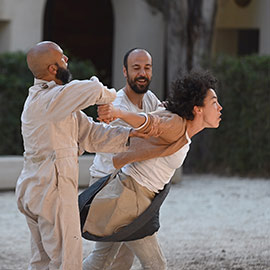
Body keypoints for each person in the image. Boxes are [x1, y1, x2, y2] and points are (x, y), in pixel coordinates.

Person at [15, 41, 155, 270]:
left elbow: (92, 135)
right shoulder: (50, 100)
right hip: (51, 190)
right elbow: (92, 91)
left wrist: (131, 136)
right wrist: (108, 95)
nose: (66, 60)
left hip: (36, 189)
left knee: (42, 261)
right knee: (66, 260)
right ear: (52, 69)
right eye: (62, 57)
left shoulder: (56, 102)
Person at [81, 70, 223, 270]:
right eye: (214, 102)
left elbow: (155, 120)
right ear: (197, 109)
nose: (220, 107)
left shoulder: (179, 124)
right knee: (155, 264)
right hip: (130, 201)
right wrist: (118, 113)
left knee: (103, 259)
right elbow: (150, 123)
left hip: (132, 197)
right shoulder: (177, 125)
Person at [84, 48, 161, 270]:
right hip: (110, 187)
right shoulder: (116, 105)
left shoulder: (150, 99)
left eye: (147, 68)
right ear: (125, 72)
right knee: (153, 263)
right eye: (136, 68)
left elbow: (159, 126)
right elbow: (143, 142)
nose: (142, 73)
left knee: (119, 260)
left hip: (129, 186)